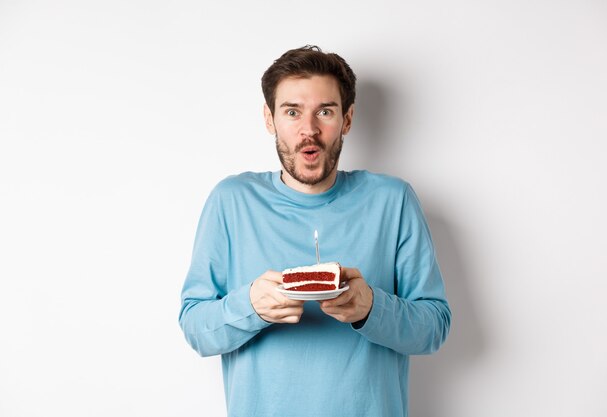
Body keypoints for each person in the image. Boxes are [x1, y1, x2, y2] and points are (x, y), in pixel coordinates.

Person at [179, 45, 451, 417]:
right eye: (292, 112)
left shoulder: (393, 201)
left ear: (348, 119)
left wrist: (371, 307)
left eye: (325, 111)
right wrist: (251, 307)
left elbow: (434, 327)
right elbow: (196, 328)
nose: (309, 130)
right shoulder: (231, 201)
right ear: (269, 119)